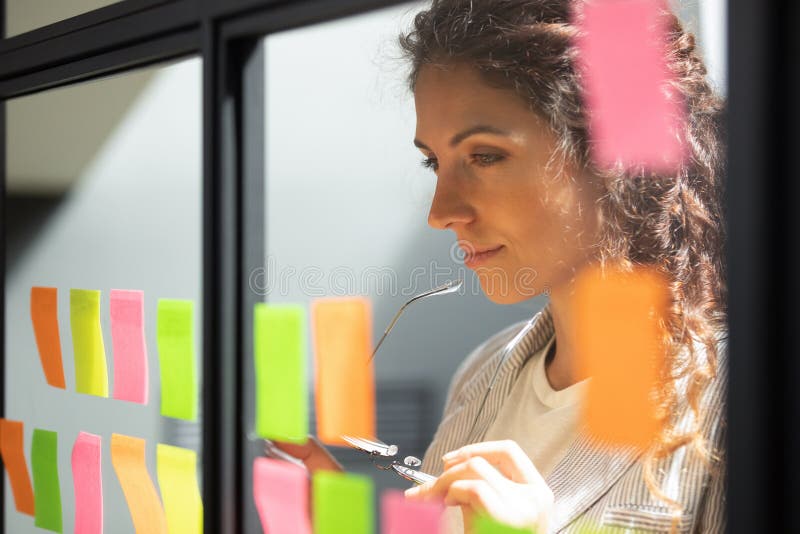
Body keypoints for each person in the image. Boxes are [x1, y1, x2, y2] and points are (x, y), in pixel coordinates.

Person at [275, 1, 727, 532]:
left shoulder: (734, 401)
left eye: (484, 156)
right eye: (434, 162)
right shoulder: (483, 373)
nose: (441, 213)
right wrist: (338, 522)